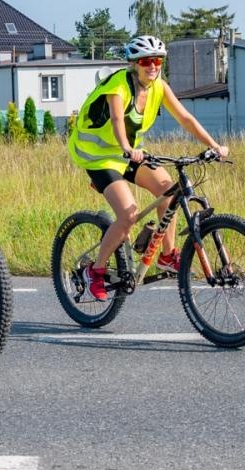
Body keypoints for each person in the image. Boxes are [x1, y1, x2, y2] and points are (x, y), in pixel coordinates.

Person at [67, 34, 228, 302]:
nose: (152, 66)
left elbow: (185, 118)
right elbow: (118, 119)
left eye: (157, 61)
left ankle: (167, 256)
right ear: (134, 64)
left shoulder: (159, 87)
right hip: (96, 155)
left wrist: (214, 145)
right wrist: (128, 148)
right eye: (145, 61)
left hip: (128, 154)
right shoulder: (118, 85)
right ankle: (95, 271)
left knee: (169, 190)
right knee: (128, 215)